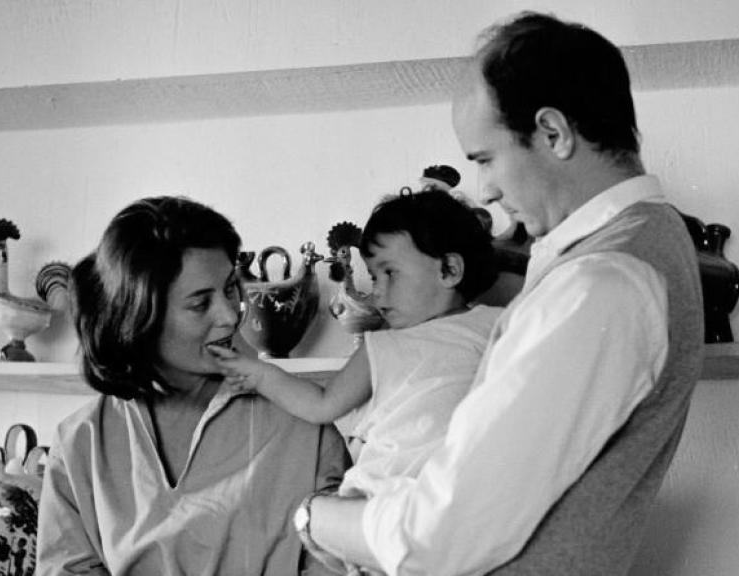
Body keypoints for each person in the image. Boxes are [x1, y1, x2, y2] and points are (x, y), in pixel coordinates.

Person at [299, 11, 705, 576]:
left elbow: (440, 536)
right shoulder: (646, 243)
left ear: (553, 133)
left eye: (486, 159)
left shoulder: (597, 284)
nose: (485, 189)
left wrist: (314, 516)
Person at [35, 196, 350, 576]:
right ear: (140, 318)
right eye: (200, 304)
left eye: (230, 288)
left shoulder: (305, 428)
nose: (230, 315)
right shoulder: (80, 443)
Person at [211, 189, 501, 500]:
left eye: (390, 273)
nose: (377, 292)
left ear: (449, 270)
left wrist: (259, 375)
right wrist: (261, 375)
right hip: (400, 492)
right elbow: (324, 404)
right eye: (375, 278)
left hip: (426, 489)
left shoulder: (497, 325)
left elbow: (321, 404)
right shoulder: (393, 343)